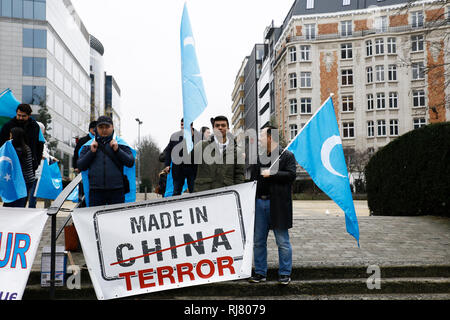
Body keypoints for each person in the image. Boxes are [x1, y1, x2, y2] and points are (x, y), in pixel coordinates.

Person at [248, 125, 297, 285]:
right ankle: (260, 272)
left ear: (270, 137)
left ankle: (284, 273)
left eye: (262, 136)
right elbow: (252, 181)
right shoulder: (259, 157)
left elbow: (291, 175)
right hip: (259, 203)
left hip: (278, 205)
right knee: (258, 241)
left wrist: (272, 173)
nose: (260, 140)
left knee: (282, 241)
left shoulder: (287, 155)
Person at [77, 116, 135, 207]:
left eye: (107, 127)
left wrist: (117, 150)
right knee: (95, 220)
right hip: (96, 191)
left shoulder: (121, 144)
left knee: (117, 219)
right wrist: (91, 152)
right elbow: (81, 166)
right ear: (96, 128)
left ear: (112, 128)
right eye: (101, 127)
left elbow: (130, 162)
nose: (104, 130)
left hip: (117, 191)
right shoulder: (88, 146)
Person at [194, 116, 245, 192]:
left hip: (226, 195)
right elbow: (189, 164)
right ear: (213, 129)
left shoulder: (237, 151)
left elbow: (239, 175)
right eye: (217, 125)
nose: (220, 128)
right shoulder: (201, 146)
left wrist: (238, 192)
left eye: (223, 125)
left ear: (228, 129)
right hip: (204, 194)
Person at [0, 104, 43, 174]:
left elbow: (39, 144)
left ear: (29, 115)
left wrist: (37, 161)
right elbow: (2, 144)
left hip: (29, 165)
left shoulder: (35, 127)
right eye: (19, 115)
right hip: (11, 163)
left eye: (23, 116)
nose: (20, 118)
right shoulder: (8, 126)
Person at [162, 118, 202, 195]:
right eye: (181, 125)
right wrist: (167, 165)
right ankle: (175, 206)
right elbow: (168, 151)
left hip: (193, 169)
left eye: (185, 125)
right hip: (178, 169)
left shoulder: (199, 136)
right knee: (176, 191)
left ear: (191, 126)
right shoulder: (175, 136)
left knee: (193, 192)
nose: (182, 127)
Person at [28, 122, 58, 208]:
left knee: (37, 189)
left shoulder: (43, 140)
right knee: (34, 190)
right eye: (43, 130)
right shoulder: (34, 139)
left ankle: (35, 206)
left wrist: (51, 158)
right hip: (37, 170)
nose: (44, 131)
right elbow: (36, 152)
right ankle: (31, 207)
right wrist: (41, 156)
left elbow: (45, 153)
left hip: (42, 170)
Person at [3, 127, 35, 208]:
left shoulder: (15, 150)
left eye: (11, 136)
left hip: (19, 181)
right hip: (27, 180)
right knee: (21, 203)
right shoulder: (26, 148)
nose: (9, 139)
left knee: (12, 203)